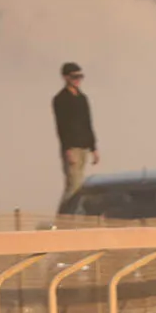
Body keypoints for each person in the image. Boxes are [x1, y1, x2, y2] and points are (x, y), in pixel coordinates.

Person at [52, 62, 98, 206]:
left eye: (80, 76)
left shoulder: (82, 98)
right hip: (72, 148)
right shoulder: (60, 99)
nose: (78, 80)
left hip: (84, 146)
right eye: (74, 77)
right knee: (73, 186)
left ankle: (73, 218)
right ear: (65, 77)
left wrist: (94, 148)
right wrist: (67, 149)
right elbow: (61, 127)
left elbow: (88, 123)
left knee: (80, 186)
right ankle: (64, 218)